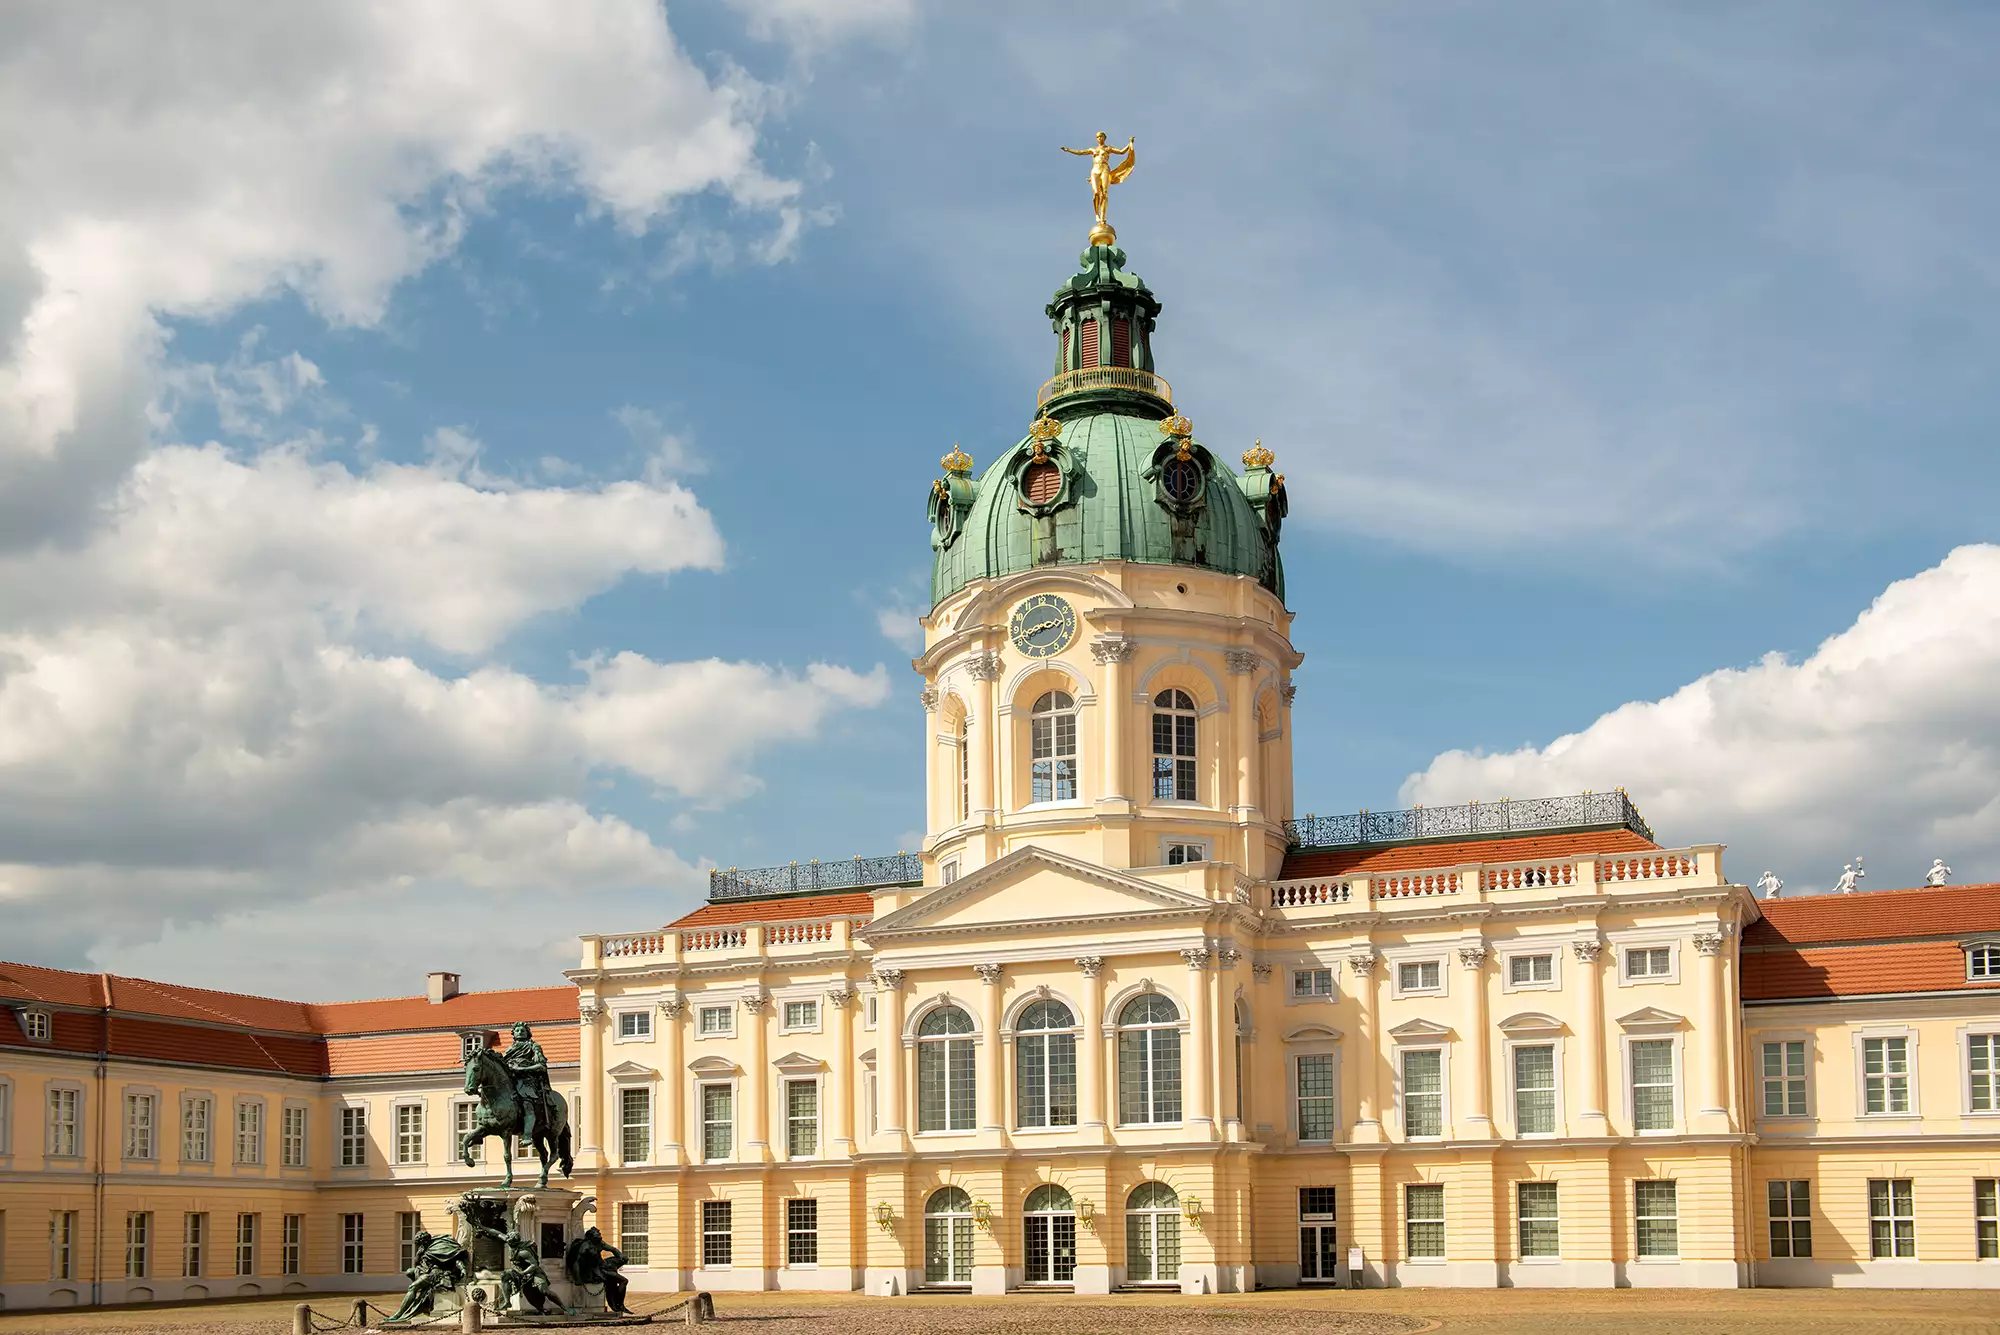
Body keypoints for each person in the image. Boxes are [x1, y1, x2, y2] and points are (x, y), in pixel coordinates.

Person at [389, 1229, 469, 1323]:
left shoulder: (439, 1246)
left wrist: (462, 1268)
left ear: (425, 1241)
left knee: (412, 1287)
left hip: (436, 1273)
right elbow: (416, 1264)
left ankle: (399, 1314)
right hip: (425, 1270)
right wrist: (418, 1254)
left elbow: (455, 1259)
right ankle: (413, 1302)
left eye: (421, 1243)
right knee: (409, 1272)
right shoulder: (424, 1248)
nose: (420, 1246)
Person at [504, 1020, 552, 1146]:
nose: (520, 1032)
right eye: (517, 1030)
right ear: (513, 1034)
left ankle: (527, 1135)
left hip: (527, 1081)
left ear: (527, 1033)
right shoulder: (509, 1049)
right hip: (511, 1081)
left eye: (522, 1030)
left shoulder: (533, 1046)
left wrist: (523, 1069)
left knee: (527, 1104)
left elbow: (541, 1066)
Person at [564, 1225, 630, 1314]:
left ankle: (617, 1303)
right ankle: (620, 1304)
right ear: (591, 1236)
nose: (599, 1234)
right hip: (595, 1270)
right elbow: (576, 1263)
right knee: (623, 1281)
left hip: (603, 1265)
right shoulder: (585, 1247)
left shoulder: (599, 1243)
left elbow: (613, 1249)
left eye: (599, 1232)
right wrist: (578, 1278)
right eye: (597, 1233)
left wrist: (620, 1256)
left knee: (624, 1259)